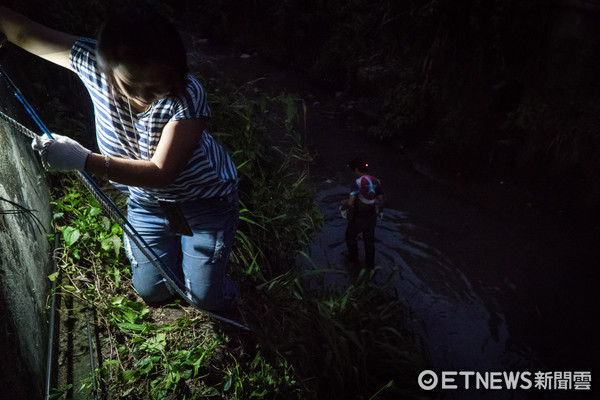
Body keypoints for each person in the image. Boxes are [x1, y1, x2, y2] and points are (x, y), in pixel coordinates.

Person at [0, 5, 239, 311]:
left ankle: (228, 294)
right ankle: (188, 262)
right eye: (132, 85)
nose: (145, 95)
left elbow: (160, 172)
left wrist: (83, 159)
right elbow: (22, 31)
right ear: (108, 66)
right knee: (152, 291)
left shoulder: (187, 96)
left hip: (204, 203)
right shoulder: (91, 61)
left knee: (204, 300)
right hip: (147, 204)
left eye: (157, 85)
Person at [340, 158, 384, 270]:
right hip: (372, 217)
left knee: (350, 236)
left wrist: (342, 208)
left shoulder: (357, 182)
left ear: (356, 170)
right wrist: (380, 212)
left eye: (353, 171)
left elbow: (350, 202)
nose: (353, 174)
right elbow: (381, 201)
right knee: (369, 242)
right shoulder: (376, 181)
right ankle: (370, 267)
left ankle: (353, 260)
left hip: (359, 218)